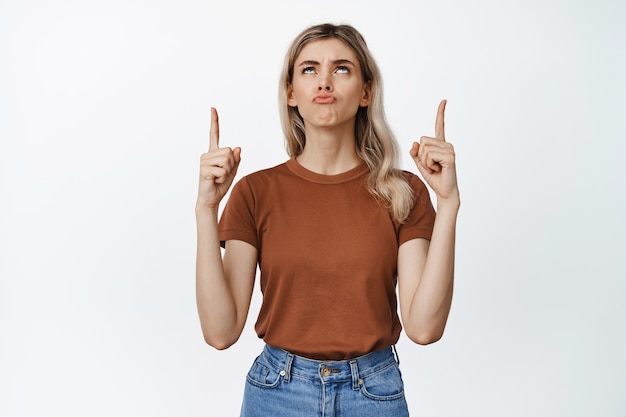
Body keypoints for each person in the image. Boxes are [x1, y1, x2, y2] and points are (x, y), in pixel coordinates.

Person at [195, 23, 459, 417]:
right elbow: (220, 332)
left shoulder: (405, 192)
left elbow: (424, 328)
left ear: (366, 91)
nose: (324, 81)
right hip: (277, 392)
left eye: (341, 69)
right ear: (290, 92)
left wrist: (449, 202)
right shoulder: (255, 192)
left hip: (373, 393)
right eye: (309, 69)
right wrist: (205, 210)